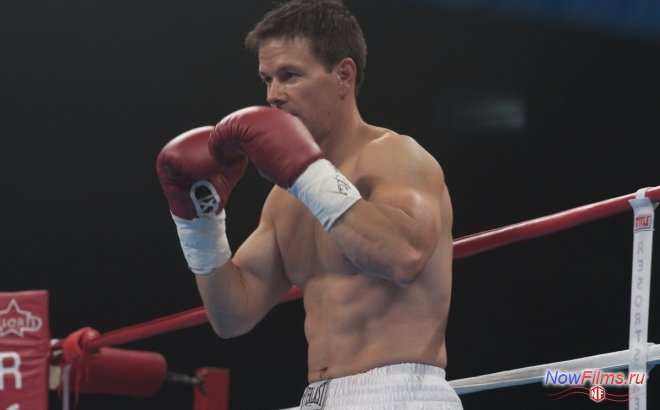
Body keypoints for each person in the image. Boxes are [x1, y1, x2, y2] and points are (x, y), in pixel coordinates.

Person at [156, 1, 462, 408]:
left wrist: (306, 173)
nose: (273, 95)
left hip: (397, 392)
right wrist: (198, 224)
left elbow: (403, 258)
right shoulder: (285, 199)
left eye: (290, 76)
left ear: (343, 75)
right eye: (267, 79)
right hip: (316, 397)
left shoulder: (396, 157)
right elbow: (231, 316)